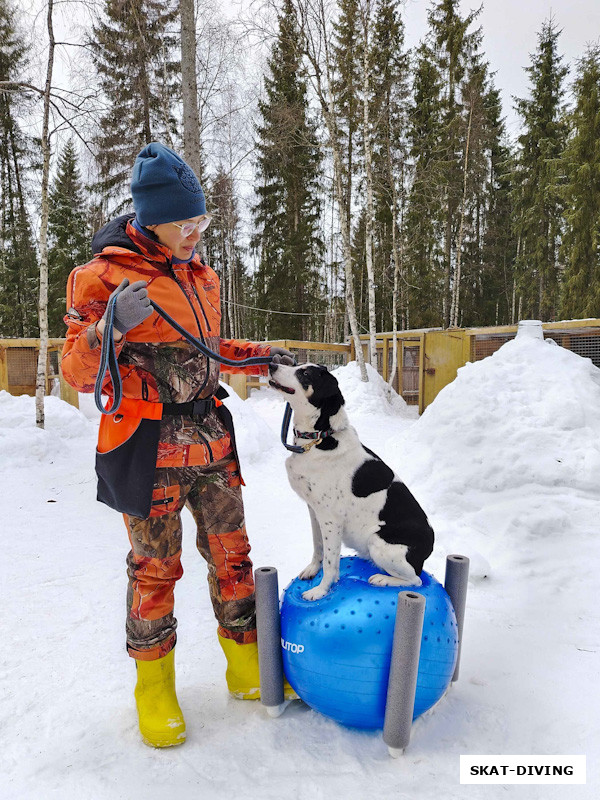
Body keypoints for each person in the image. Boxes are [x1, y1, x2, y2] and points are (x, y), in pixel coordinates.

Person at [61, 142, 295, 749]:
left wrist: (259, 356)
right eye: (185, 222)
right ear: (151, 218)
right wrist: (108, 327)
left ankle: (247, 668)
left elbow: (209, 347)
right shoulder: (102, 276)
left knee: (233, 556)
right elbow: (75, 372)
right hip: (149, 448)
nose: (196, 232)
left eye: (203, 221)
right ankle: (154, 689)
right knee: (155, 570)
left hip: (210, 442)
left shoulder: (199, 274)